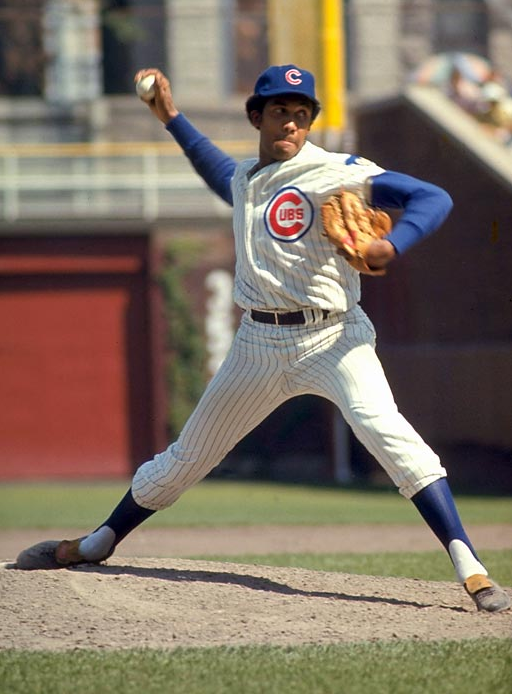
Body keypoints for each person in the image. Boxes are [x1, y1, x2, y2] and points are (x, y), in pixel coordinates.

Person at [16, 65, 510, 613]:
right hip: (258, 342)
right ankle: (98, 542)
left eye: (302, 115)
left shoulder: (335, 171)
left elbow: (432, 197)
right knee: (184, 460)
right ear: (257, 116)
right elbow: (219, 171)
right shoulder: (247, 179)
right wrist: (172, 120)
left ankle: (471, 566)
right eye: (280, 111)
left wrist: (392, 248)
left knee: (387, 433)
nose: (291, 124)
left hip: (334, 336)